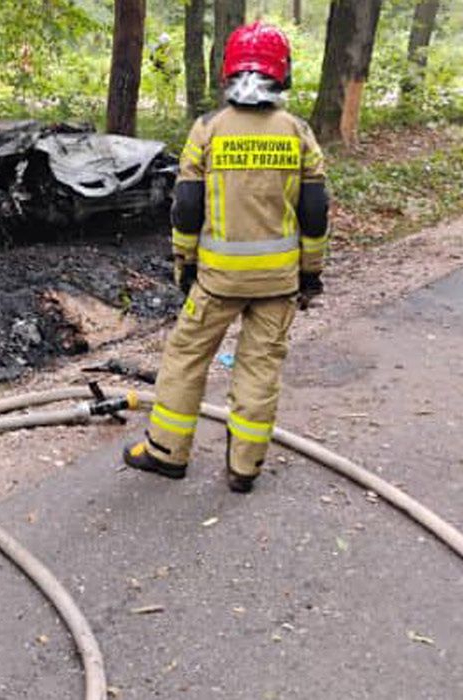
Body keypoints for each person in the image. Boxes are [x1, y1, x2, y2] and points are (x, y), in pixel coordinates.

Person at [122, 22, 329, 493]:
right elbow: (314, 214)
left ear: (227, 70)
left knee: (185, 357)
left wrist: (185, 264)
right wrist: (310, 274)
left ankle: (167, 453)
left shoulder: (208, 131)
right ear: (283, 72)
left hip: (218, 281)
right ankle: (244, 467)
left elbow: (187, 207)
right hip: (278, 283)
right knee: (260, 368)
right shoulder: (298, 134)